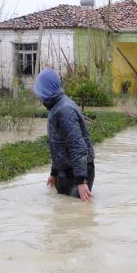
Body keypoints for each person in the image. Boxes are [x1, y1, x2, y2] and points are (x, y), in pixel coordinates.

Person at [33, 68, 95, 202]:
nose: (39, 97)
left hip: (77, 175)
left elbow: (77, 146)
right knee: (62, 209)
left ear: (46, 91)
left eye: (40, 92)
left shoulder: (65, 110)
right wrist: (54, 173)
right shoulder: (55, 108)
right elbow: (58, 146)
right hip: (65, 173)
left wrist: (81, 181)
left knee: (78, 210)